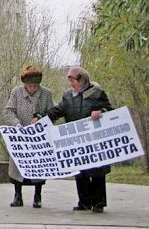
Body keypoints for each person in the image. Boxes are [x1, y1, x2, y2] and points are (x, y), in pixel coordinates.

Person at [46, 66, 113, 213]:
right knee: (80, 172)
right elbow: (58, 110)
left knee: (97, 171)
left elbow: (110, 111)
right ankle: (84, 202)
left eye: (73, 80)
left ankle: (98, 203)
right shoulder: (68, 96)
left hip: (94, 140)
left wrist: (101, 112)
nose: (71, 83)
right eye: (69, 80)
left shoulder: (97, 93)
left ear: (82, 79)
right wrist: (40, 117)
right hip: (76, 141)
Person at [4, 65, 54, 208]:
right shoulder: (16, 92)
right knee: (17, 166)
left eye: (35, 86)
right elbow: (8, 111)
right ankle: (17, 195)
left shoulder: (46, 94)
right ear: (24, 84)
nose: (33, 89)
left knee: (38, 166)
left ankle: (37, 196)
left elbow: (52, 112)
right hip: (20, 135)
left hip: (38, 136)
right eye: (30, 86)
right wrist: (16, 124)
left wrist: (41, 119)